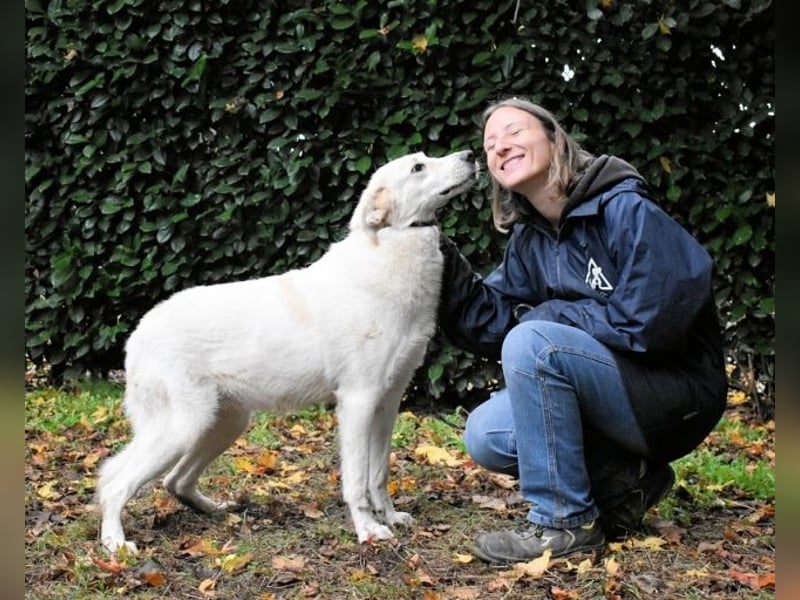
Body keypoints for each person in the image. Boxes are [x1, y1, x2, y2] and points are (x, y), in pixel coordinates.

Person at [438, 97, 727, 564]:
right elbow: (496, 324)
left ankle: (563, 523)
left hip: (676, 393)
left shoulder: (624, 208)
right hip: (613, 398)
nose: (499, 147)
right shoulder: (530, 239)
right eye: (490, 144)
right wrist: (443, 264)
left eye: (513, 132)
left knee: (536, 341)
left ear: (554, 138)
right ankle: (624, 480)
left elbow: (652, 320)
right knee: (487, 433)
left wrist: (554, 317)